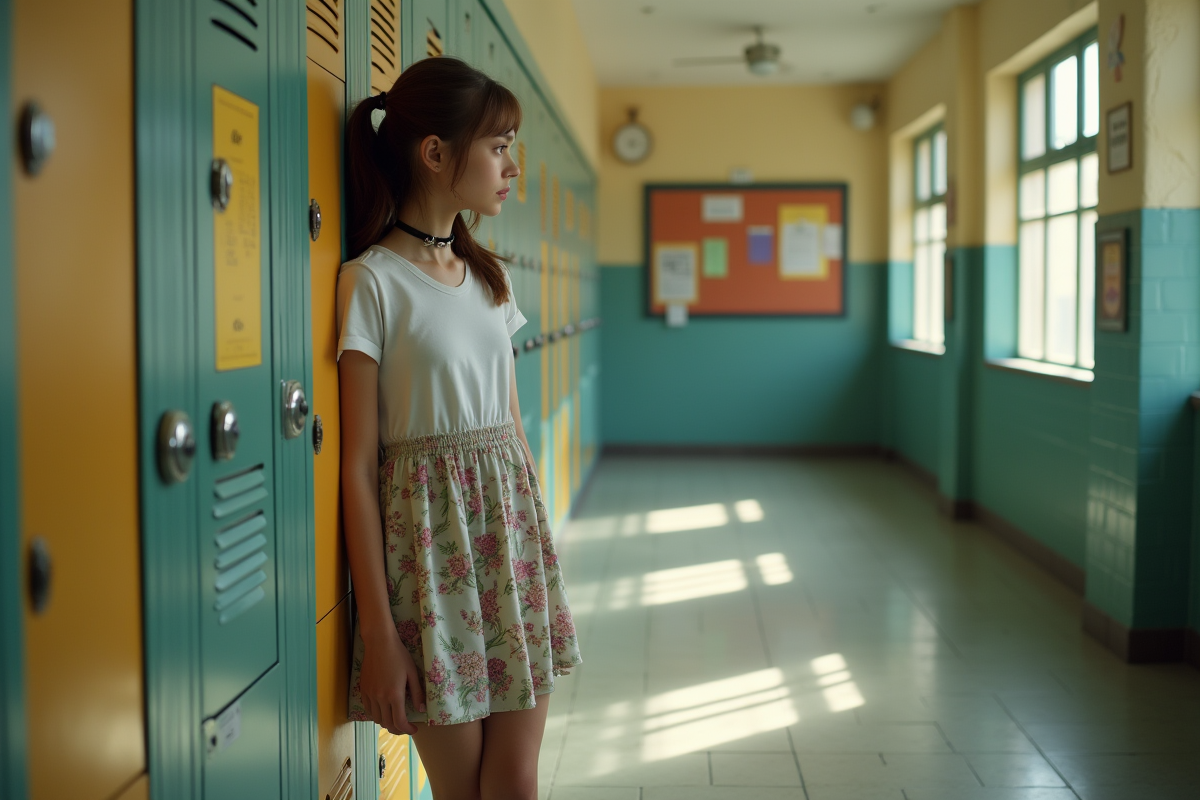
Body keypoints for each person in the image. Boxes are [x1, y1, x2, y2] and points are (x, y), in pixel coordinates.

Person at [337, 57, 582, 799]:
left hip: (510, 545)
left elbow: (512, 426)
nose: (512, 167)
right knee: (464, 789)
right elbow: (358, 467)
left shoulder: (490, 279)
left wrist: (538, 553)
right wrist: (379, 633)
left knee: (516, 780)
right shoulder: (372, 281)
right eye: (499, 147)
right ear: (436, 153)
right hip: (430, 562)